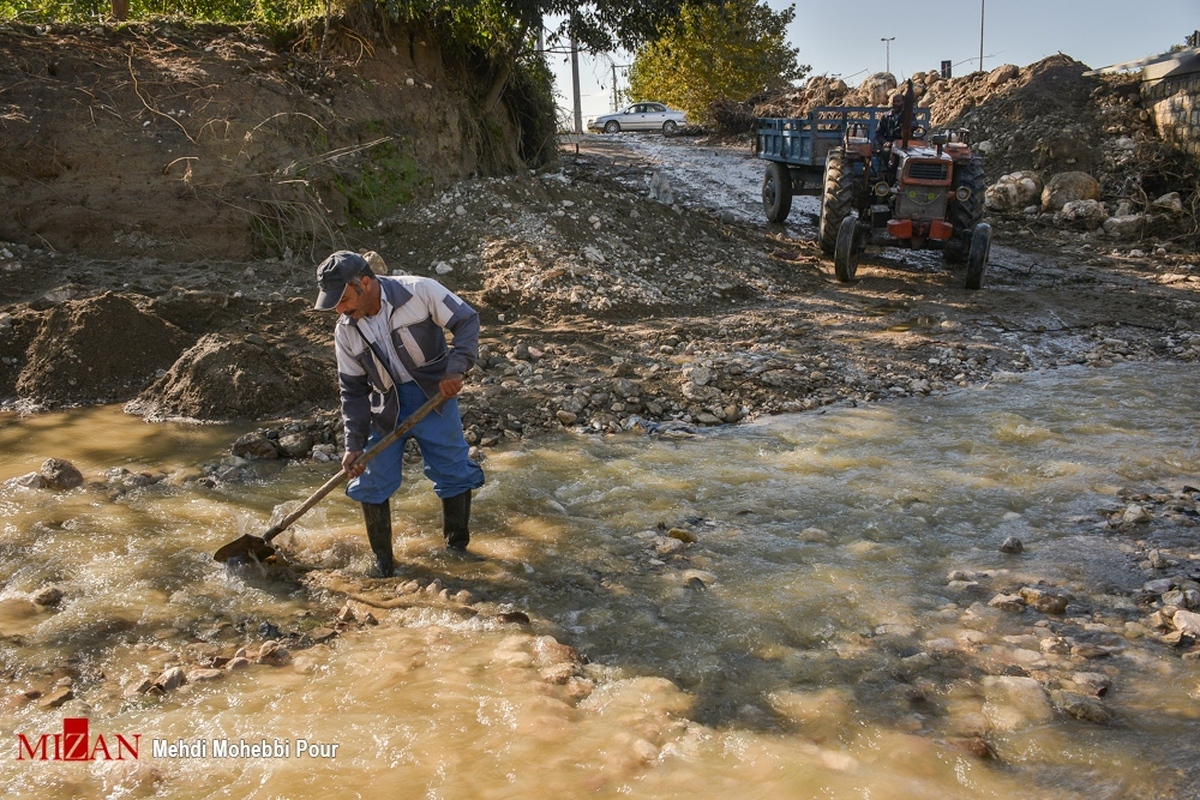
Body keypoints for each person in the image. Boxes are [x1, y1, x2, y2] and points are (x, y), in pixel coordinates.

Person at [313, 250, 485, 575]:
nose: (340, 309)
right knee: (372, 478)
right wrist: (354, 445)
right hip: (384, 407)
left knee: (453, 468)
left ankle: (457, 550)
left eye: (344, 299)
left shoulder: (420, 291)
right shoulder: (345, 331)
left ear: (365, 283)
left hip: (434, 397)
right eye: (335, 303)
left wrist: (456, 370)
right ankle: (384, 565)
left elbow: (467, 320)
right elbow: (353, 392)